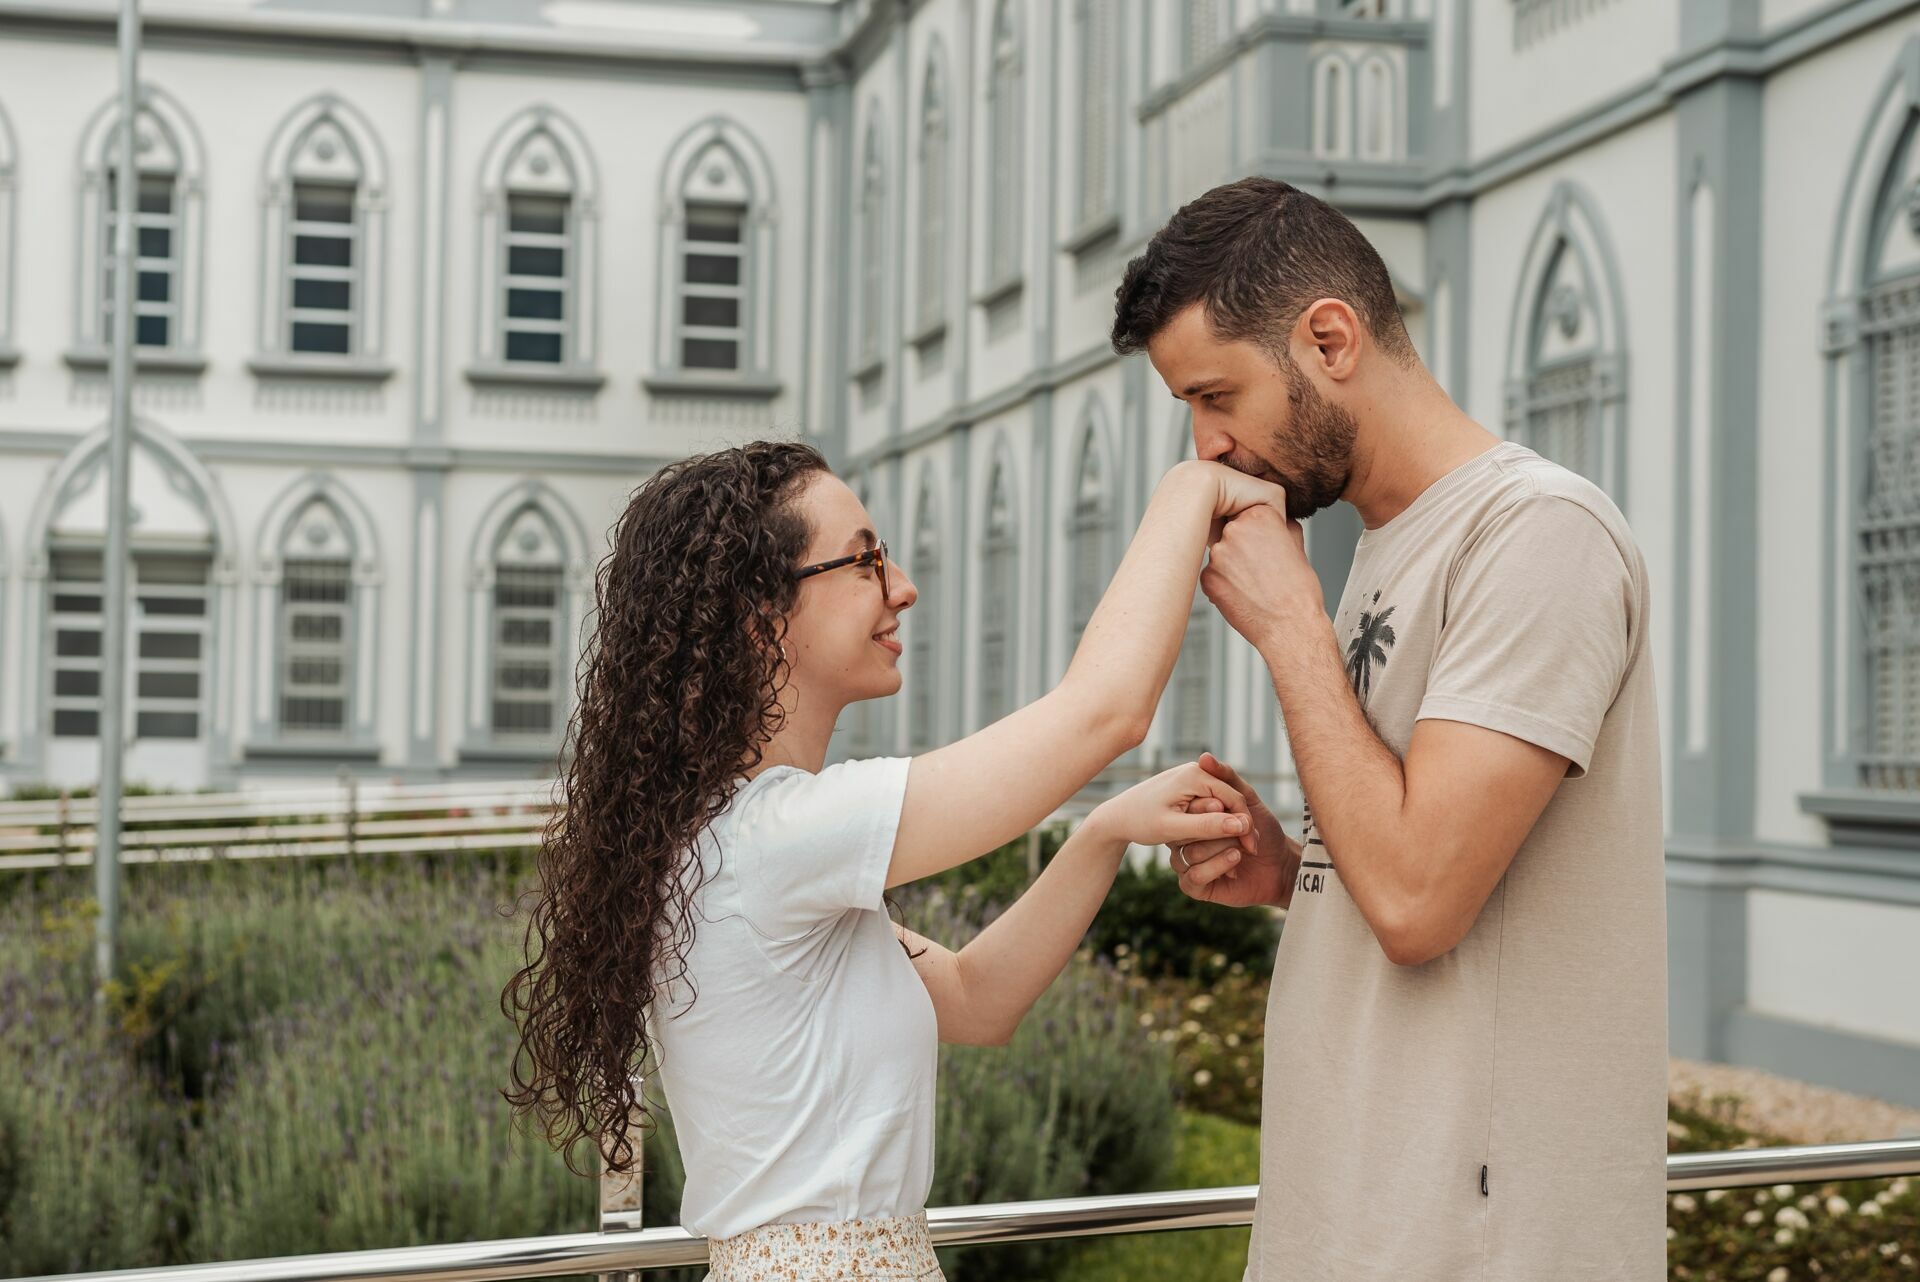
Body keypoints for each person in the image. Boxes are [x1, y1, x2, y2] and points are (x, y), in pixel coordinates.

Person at [503, 439, 1287, 1281]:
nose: (902, 588)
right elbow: (1105, 713)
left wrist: (1102, 835)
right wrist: (1191, 484)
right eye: (867, 559)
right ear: (762, 615)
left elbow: (979, 1002)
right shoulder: (779, 836)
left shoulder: (739, 845)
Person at [1112, 176, 1667, 1280]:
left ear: (1330, 337)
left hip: (1475, 1243)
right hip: (1355, 1218)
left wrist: (1291, 630)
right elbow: (1421, 861)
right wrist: (1293, 871)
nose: (1206, 445)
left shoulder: (1536, 536)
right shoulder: (1384, 541)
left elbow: (1418, 901)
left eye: (1217, 395)